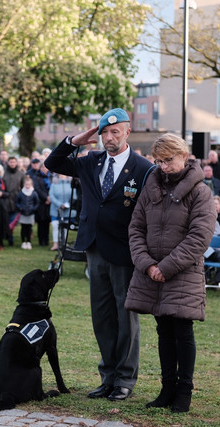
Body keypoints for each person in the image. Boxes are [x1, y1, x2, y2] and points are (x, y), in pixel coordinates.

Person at [45, 108, 155, 401]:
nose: (109, 137)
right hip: (94, 247)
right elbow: (52, 162)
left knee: (126, 315)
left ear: (127, 132)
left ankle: (125, 379)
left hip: (125, 249)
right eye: (104, 132)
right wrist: (75, 140)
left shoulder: (143, 167)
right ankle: (108, 376)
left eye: (114, 131)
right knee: (102, 316)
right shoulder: (91, 161)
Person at [124, 133, 216, 413]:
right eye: (159, 161)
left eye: (168, 160)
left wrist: (165, 267)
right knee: (163, 330)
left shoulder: (200, 192)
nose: (163, 167)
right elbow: (136, 229)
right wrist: (147, 265)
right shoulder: (151, 188)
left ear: (184, 156)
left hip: (182, 273)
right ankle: (167, 388)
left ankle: (183, 391)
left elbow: (199, 237)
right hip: (152, 272)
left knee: (182, 330)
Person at [49, 173, 75, 251]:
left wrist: (68, 204)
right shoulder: (54, 184)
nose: (62, 176)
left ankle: (64, 243)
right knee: (55, 226)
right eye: (61, 174)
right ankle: (55, 244)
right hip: (56, 209)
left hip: (67, 210)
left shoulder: (71, 183)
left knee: (65, 227)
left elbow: (74, 196)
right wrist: (59, 204)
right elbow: (51, 195)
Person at [3, 156, 25, 245]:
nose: (12, 164)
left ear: (16, 163)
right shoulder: (4, 173)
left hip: (16, 201)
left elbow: (23, 188)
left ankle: (10, 238)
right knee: (6, 221)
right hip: (5, 201)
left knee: (12, 222)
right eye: (11, 162)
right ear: (8, 163)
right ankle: (8, 237)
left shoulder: (21, 174)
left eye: (14, 162)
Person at [15, 176, 40, 250]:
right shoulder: (21, 193)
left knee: (29, 228)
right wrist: (20, 207)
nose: (27, 186)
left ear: (31, 185)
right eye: (26, 184)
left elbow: (37, 202)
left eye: (29, 184)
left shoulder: (34, 193)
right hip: (23, 213)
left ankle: (28, 242)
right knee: (23, 228)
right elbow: (17, 202)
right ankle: (23, 242)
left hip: (30, 213)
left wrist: (33, 209)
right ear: (24, 185)